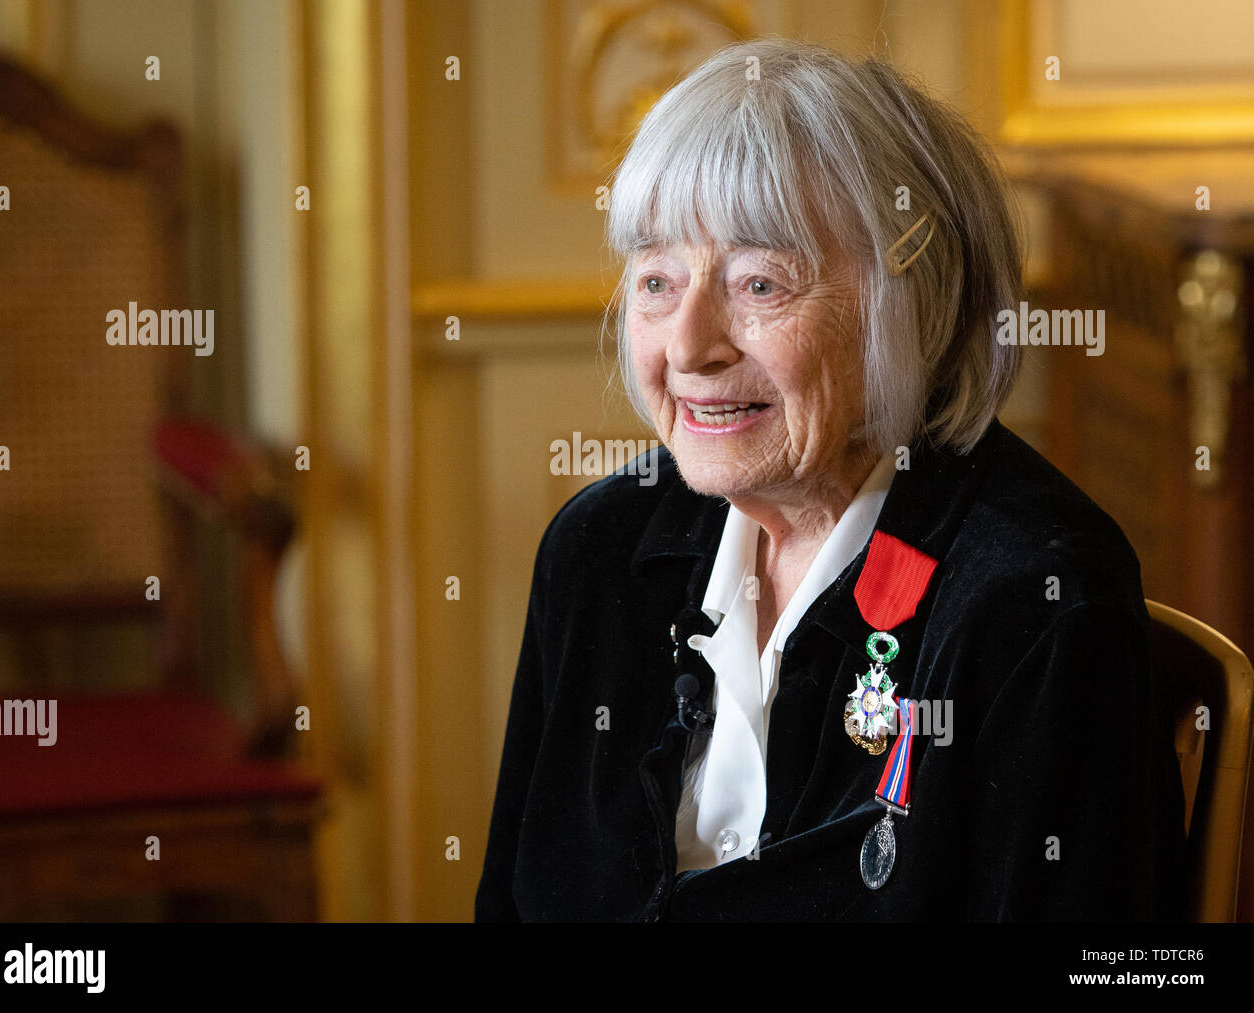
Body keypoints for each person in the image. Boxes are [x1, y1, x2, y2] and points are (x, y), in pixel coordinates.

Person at [475, 37, 1185, 921]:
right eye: (657, 279)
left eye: (760, 283)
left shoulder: (1032, 602)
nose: (689, 346)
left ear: (910, 303)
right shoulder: (598, 549)